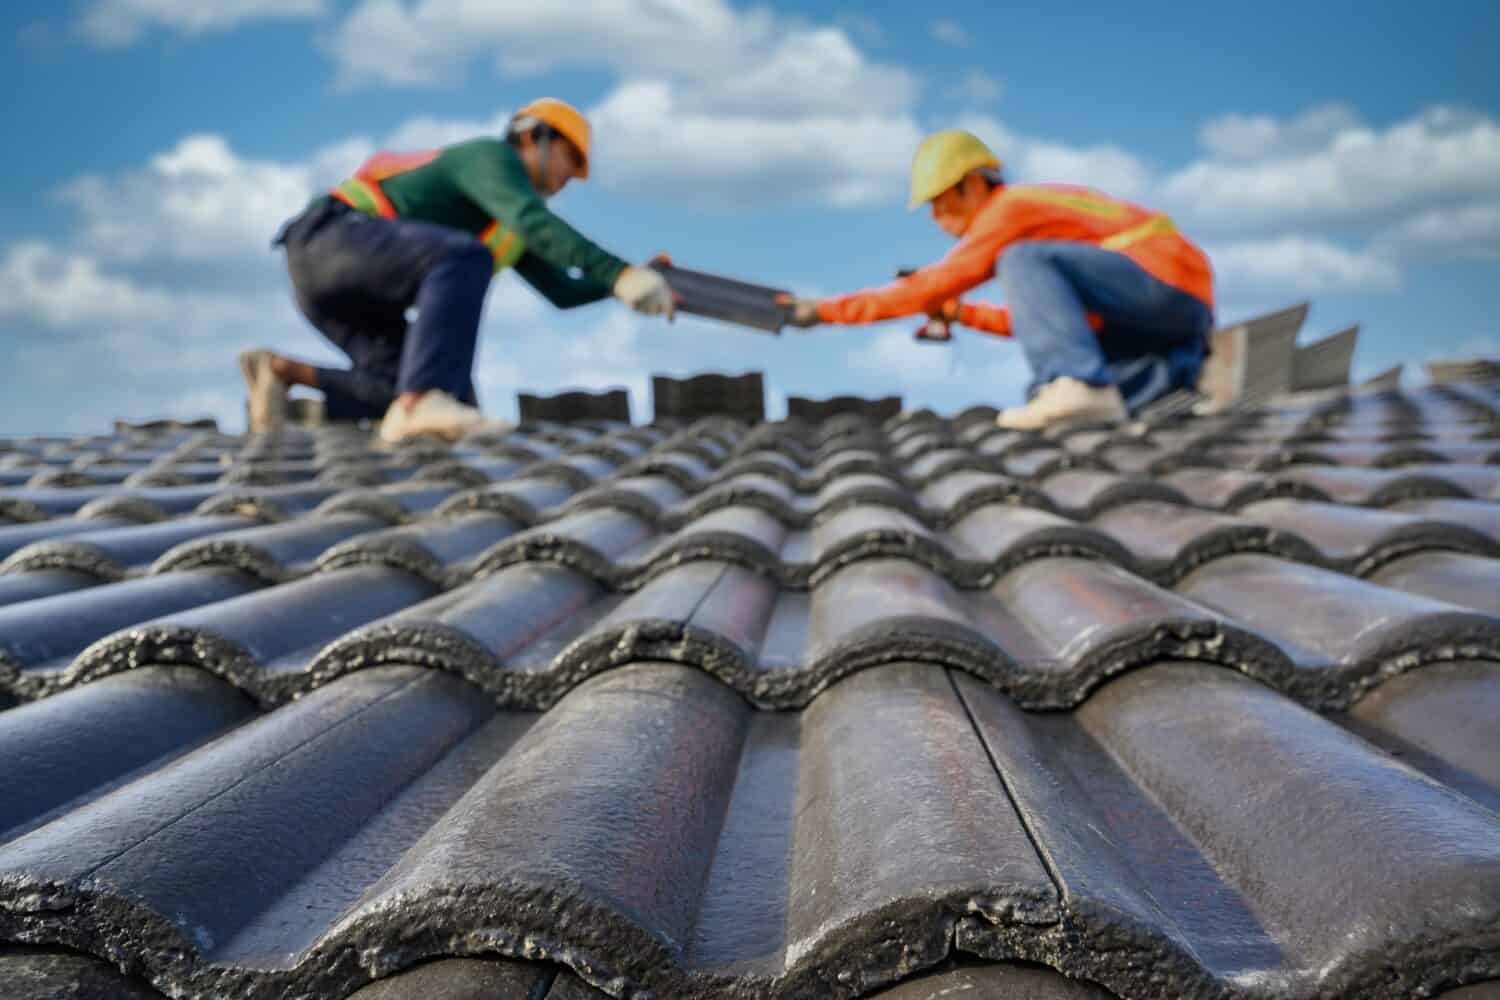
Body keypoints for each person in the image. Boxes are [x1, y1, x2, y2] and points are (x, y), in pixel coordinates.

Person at [243, 98, 675, 441]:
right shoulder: (490, 158)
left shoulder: (506, 222)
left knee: (440, 398)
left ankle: (283, 371)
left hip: (341, 286)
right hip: (331, 240)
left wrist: (630, 280)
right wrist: (620, 273)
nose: (570, 177)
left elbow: (563, 292)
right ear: (532, 138)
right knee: (464, 263)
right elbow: (535, 223)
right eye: (569, 158)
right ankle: (419, 403)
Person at [783, 130, 1215, 429]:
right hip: (1168, 315)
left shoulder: (1008, 210)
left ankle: (1079, 385)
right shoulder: (1049, 247)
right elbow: (1044, 325)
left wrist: (821, 311)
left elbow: (935, 283)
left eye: (939, 203)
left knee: (1021, 263)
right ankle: (1159, 389)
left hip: (1166, 280)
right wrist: (961, 314)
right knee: (1046, 395)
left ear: (972, 186)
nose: (937, 219)